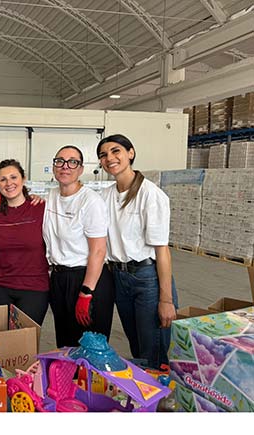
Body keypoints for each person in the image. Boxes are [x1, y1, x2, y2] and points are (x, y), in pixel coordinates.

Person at [96, 134, 177, 369]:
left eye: (116, 151)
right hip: (119, 278)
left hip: (147, 278)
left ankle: (158, 391)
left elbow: (162, 251)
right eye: (103, 155)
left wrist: (166, 300)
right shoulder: (105, 196)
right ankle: (143, 389)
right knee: (137, 346)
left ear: (130, 153)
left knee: (153, 351)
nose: (109, 158)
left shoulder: (150, 194)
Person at [43, 145, 115, 348]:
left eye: (72, 162)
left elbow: (98, 250)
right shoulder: (50, 197)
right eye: (60, 161)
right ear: (54, 166)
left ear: (81, 169)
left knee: (90, 347)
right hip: (59, 279)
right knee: (65, 345)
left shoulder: (90, 201)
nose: (65, 166)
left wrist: (86, 292)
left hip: (87, 279)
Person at [0, 159, 50, 325]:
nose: (9, 183)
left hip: (34, 287)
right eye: (3, 179)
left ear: (23, 179)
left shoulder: (41, 208)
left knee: (27, 337)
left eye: (13, 177)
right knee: (2, 336)